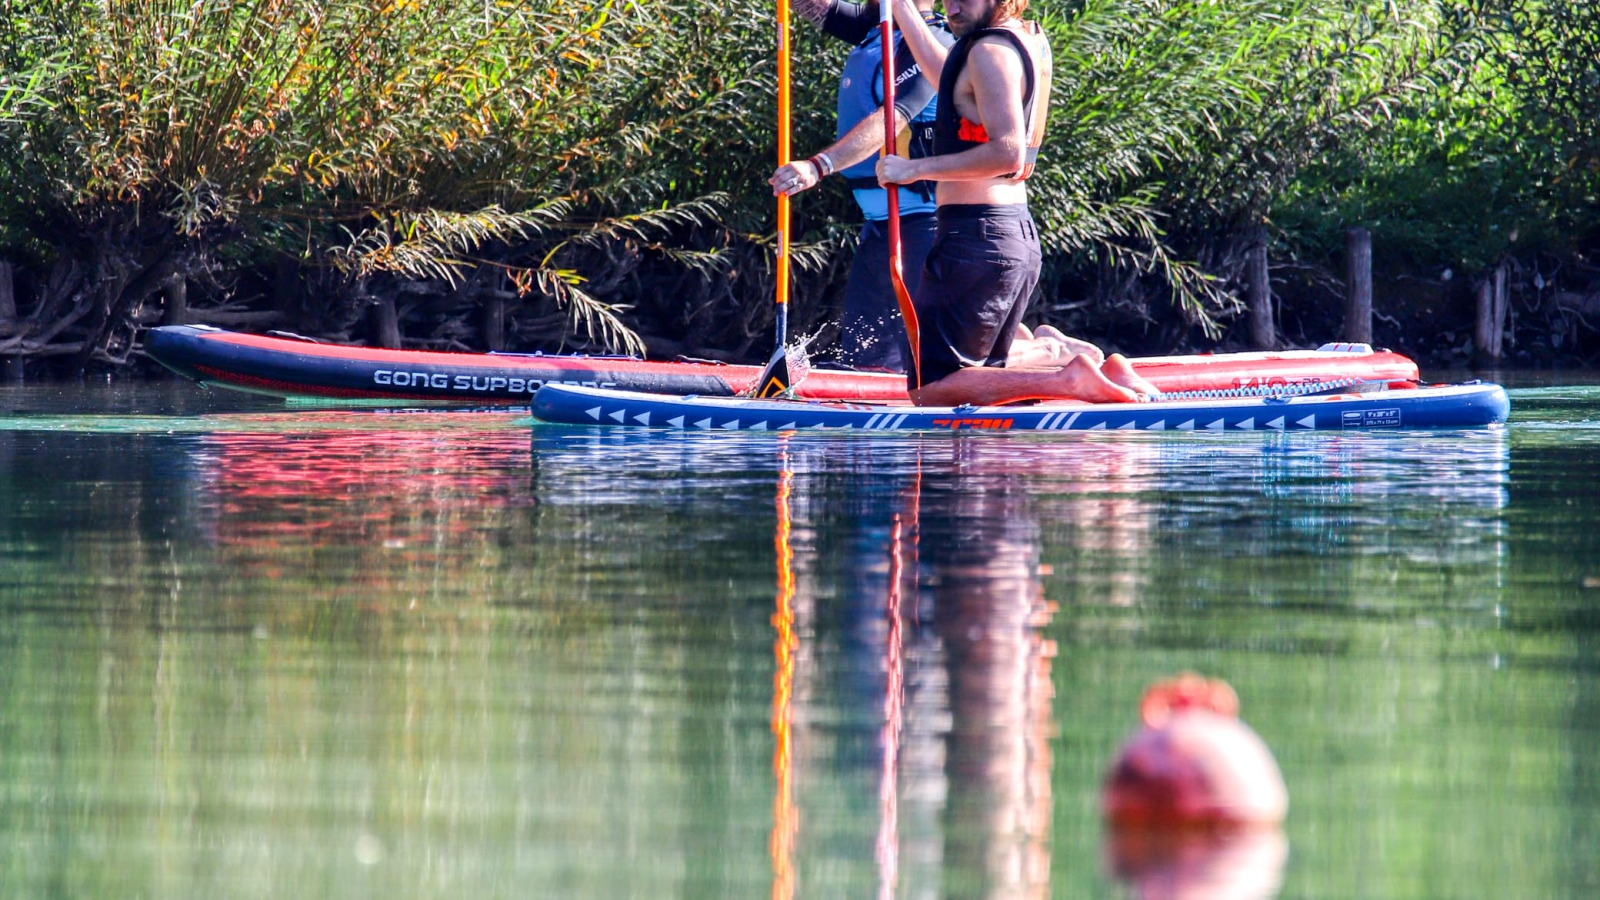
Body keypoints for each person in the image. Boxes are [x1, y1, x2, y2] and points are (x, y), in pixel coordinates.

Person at [772, 0, 1080, 373]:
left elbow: (894, 115)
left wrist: (819, 165)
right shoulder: (879, 29)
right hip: (882, 222)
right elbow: (816, 8)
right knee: (869, 357)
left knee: (927, 360)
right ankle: (1020, 347)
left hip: (927, 221)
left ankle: (1045, 353)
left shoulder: (948, 42)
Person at [879, 0, 1159, 405]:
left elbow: (1007, 154)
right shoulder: (1023, 40)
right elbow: (950, 81)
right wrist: (900, 8)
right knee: (982, 372)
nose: (952, 7)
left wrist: (914, 169)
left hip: (975, 239)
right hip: (1006, 235)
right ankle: (1099, 371)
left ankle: (1069, 380)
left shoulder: (989, 52)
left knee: (931, 388)